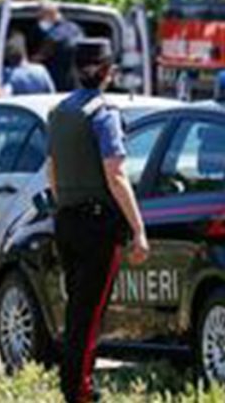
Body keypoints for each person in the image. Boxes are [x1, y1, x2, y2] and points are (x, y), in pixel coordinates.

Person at [46, 38, 149, 403]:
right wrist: (138, 229)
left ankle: (72, 384)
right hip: (97, 224)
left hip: (67, 220)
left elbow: (52, 171)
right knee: (90, 314)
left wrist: (64, 206)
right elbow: (116, 175)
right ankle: (80, 390)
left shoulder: (58, 113)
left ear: (76, 69)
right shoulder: (103, 114)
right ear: (109, 72)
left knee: (78, 307)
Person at [33, 0, 84, 92]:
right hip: (77, 82)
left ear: (50, 14)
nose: (39, 19)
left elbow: (40, 57)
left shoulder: (54, 36)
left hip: (58, 83)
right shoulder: (76, 29)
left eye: (41, 16)